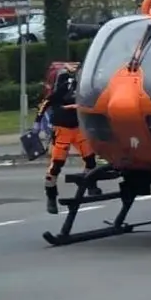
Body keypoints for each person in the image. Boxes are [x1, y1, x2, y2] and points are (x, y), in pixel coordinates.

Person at [43, 61, 96, 215]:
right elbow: (48, 103)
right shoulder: (62, 89)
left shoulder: (84, 88)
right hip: (63, 129)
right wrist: (37, 123)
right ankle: (51, 197)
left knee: (90, 159)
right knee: (56, 165)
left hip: (79, 128)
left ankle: (90, 185)